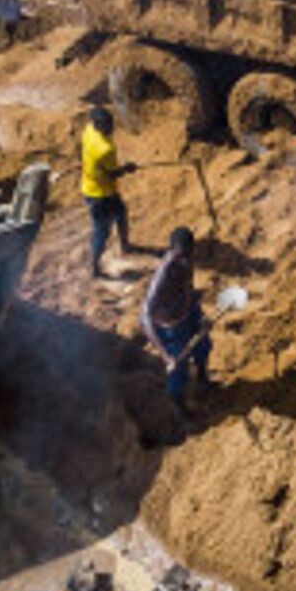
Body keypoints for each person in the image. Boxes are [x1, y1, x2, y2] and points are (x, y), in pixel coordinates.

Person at [141, 226, 211, 414]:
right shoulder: (163, 275)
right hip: (171, 328)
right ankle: (178, 407)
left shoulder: (187, 261)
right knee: (178, 371)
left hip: (189, 314)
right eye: (181, 255)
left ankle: (203, 379)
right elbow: (145, 315)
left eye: (188, 254)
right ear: (171, 250)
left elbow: (188, 291)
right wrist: (164, 353)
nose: (185, 259)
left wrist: (201, 315)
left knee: (203, 345)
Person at [81, 106, 137, 276]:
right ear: (99, 126)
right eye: (107, 125)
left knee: (121, 213)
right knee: (101, 231)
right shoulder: (105, 149)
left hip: (89, 186)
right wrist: (127, 168)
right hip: (101, 195)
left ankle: (125, 244)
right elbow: (113, 174)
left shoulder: (89, 130)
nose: (112, 127)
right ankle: (95, 266)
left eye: (111, 123)